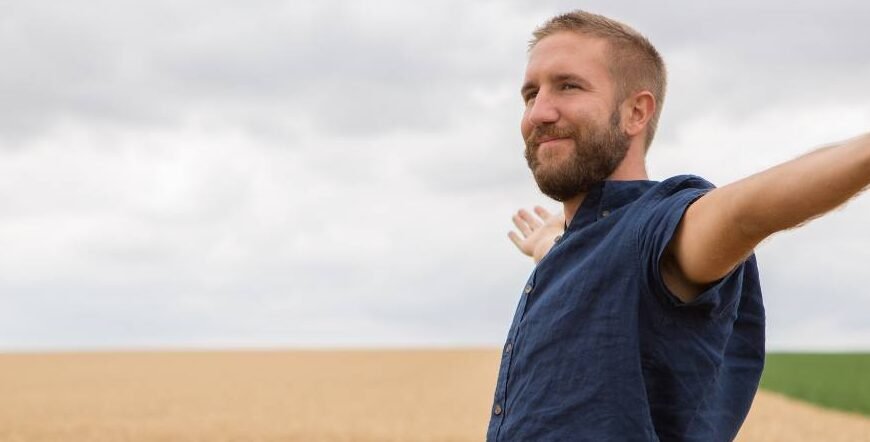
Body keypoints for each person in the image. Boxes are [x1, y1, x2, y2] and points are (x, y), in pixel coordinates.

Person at [487, 10, 870, 442]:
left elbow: (747, 211)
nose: (539, 112)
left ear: (636, 112)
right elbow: (603, 274)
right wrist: (556, 250)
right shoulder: (588, 249)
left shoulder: (655, 229)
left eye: (568, 86)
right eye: (530, 94)